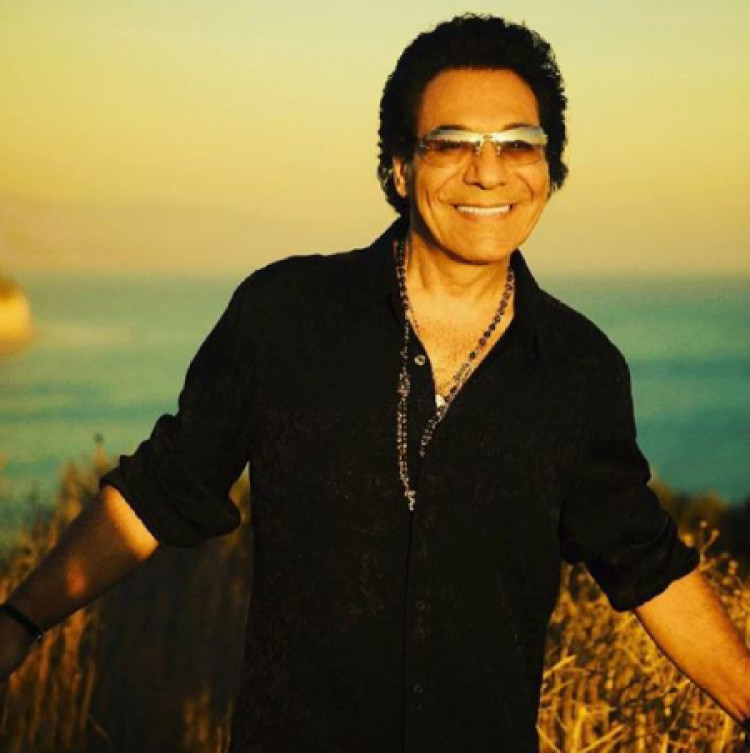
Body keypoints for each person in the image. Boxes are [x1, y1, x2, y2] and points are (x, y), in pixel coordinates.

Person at [1, 14, 749, 753]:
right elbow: (158, 492)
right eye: (451, 144)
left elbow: (646, 562)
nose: (489, 172)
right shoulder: (285, 317)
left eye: (518, 144)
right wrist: (20, 622)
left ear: (548, 171)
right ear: (399, 167)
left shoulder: (580, 369)